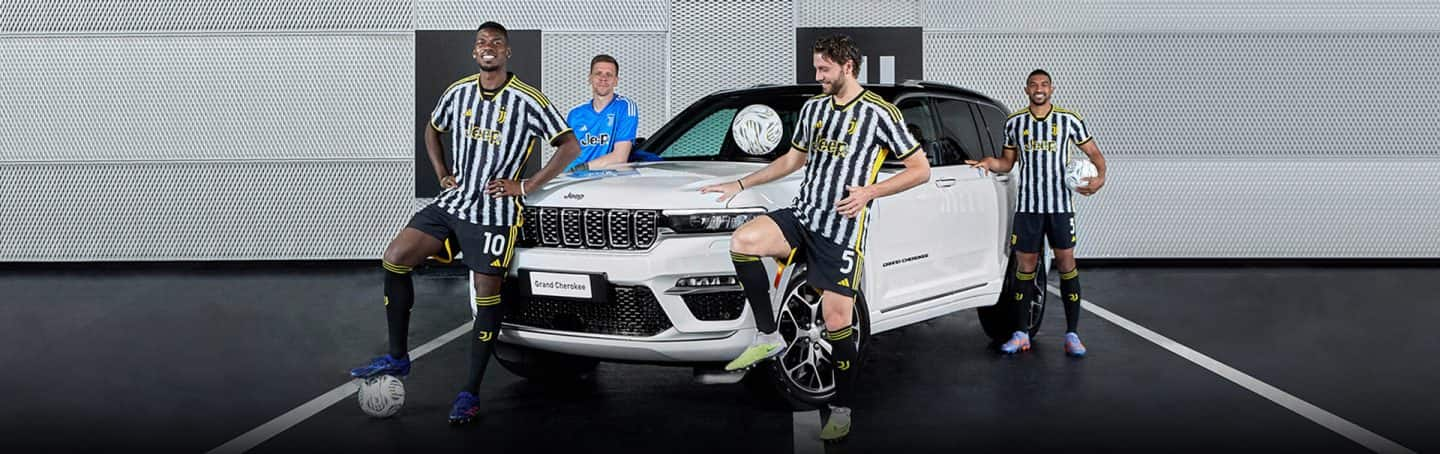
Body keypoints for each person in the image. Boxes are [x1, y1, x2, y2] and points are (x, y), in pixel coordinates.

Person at [700, 34, 931, 442]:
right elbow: (792, 159)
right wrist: (741, 182)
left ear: (849, 67)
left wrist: (869, 192)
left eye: (824, 69)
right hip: (803, 215)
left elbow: (920, 169)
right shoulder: (814, 109)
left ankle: (841, 408)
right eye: (816, 68)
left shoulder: (880, 114)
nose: (818, 75)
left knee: (837, 321)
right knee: (744, 242)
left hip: (841, 231)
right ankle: (769, 337)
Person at [348, 21, 580, 425]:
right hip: (454, 202)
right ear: (475, 53)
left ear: (508, 53)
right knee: (395, 257)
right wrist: (442, 173)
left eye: (496, 43)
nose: (488, 48)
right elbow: (432, 129)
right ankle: (398, 357)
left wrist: (525, 185)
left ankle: (469, 393)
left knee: (486, 295)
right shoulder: (458, 93)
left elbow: (569, 145)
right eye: (482, 43)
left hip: (495, 213)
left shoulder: (528, 100)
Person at [967, 69, 1108, 357]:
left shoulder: (1068, 120)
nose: (1039, 89)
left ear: (1052, 89)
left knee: (1066, 263)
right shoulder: (1015, 122)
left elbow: (1094, 154)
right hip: (1028, 207)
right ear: (1026, 89)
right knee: (1025, 267)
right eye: (1033, 85)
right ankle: (1021, 333)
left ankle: (1072, 334)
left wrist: (1099, 179)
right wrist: (987, 162)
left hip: (1059, 207)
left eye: (1044, 84)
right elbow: (1007, 163)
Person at [564, 54, 639, 171]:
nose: (603, 78)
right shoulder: (575, 114)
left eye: (609, 74)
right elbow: (565, 155)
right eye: (598, 73)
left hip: (604, 183)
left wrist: (583, 168)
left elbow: (620, 157)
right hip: (573, 180)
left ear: (616, 81)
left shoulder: (625, 106)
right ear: (590, 78)